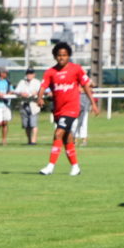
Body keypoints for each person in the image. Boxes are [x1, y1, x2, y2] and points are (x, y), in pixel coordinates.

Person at [37, 42, 98, 176]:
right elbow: (43, 86)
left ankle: (50, 167)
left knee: (58, 133)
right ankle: (75, 167)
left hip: (72, 108)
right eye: (59, 55)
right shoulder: (50, 72)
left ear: (69, 56)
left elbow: (86, 85)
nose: (61, 57)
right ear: (55, 56)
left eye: (64, 55)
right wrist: (39, 97)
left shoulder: (76, 69)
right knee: (67, 137)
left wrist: (93, 103)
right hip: (58, 109)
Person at [14, 67, 42, 145]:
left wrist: (35, 93)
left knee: (33, 123)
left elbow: (41, 91)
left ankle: (33, 141)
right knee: (26, 125)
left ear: (34, 74)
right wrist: (21, 93)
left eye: (31, 73)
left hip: (34, 104)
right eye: (28, 73)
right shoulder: (22, 82)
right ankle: (29, 140)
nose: (29, 75)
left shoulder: (37, 82)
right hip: (24, 104)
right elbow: (16, 91)